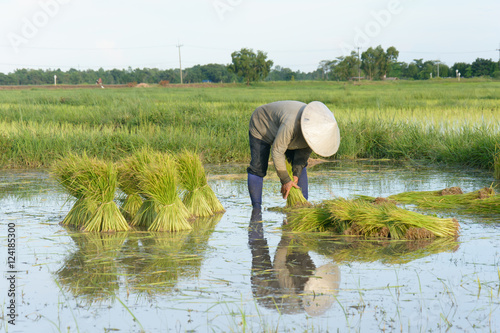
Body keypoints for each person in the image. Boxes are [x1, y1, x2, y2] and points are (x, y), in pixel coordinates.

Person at [247, 100, 340, 209]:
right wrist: (285, 180)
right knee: (258, 167)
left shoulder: (314, 132)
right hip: (262, 125)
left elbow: (302, 157)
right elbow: (277, 151)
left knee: (299, 167)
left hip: (288, 131)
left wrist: (295, 175)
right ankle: (256, 209)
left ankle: (302, 204)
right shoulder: (290, 124)